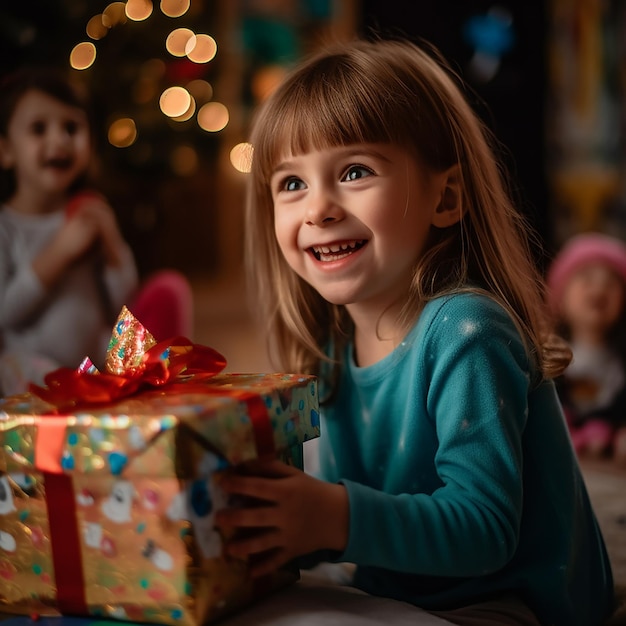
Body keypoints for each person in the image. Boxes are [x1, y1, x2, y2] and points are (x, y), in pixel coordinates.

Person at [214, 38, 616, 625]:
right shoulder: (328, 351)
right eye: (291, 184)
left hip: (512, 600)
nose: (318, 208)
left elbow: (485, 531)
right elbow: (345, 520)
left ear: (445, 197)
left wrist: (331, 518)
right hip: (399, 592)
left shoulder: (468, 331)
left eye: (354, 171)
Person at [0, 67, 138, 395]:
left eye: (71, 127)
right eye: (38, 129)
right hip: (31, 371)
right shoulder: (6, 227)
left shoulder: (90, 213)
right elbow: (5, 313)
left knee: (139, 349)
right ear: (5, 151)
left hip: (93, 361)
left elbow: (122, 299)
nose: (59, 140)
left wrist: (111, 242)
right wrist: (58, 254)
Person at [546, 232, 626, 463]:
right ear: (560, 298)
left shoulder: (620, 361)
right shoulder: (547, 355)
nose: (599, 289)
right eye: (586, 279)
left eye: (611, 283)